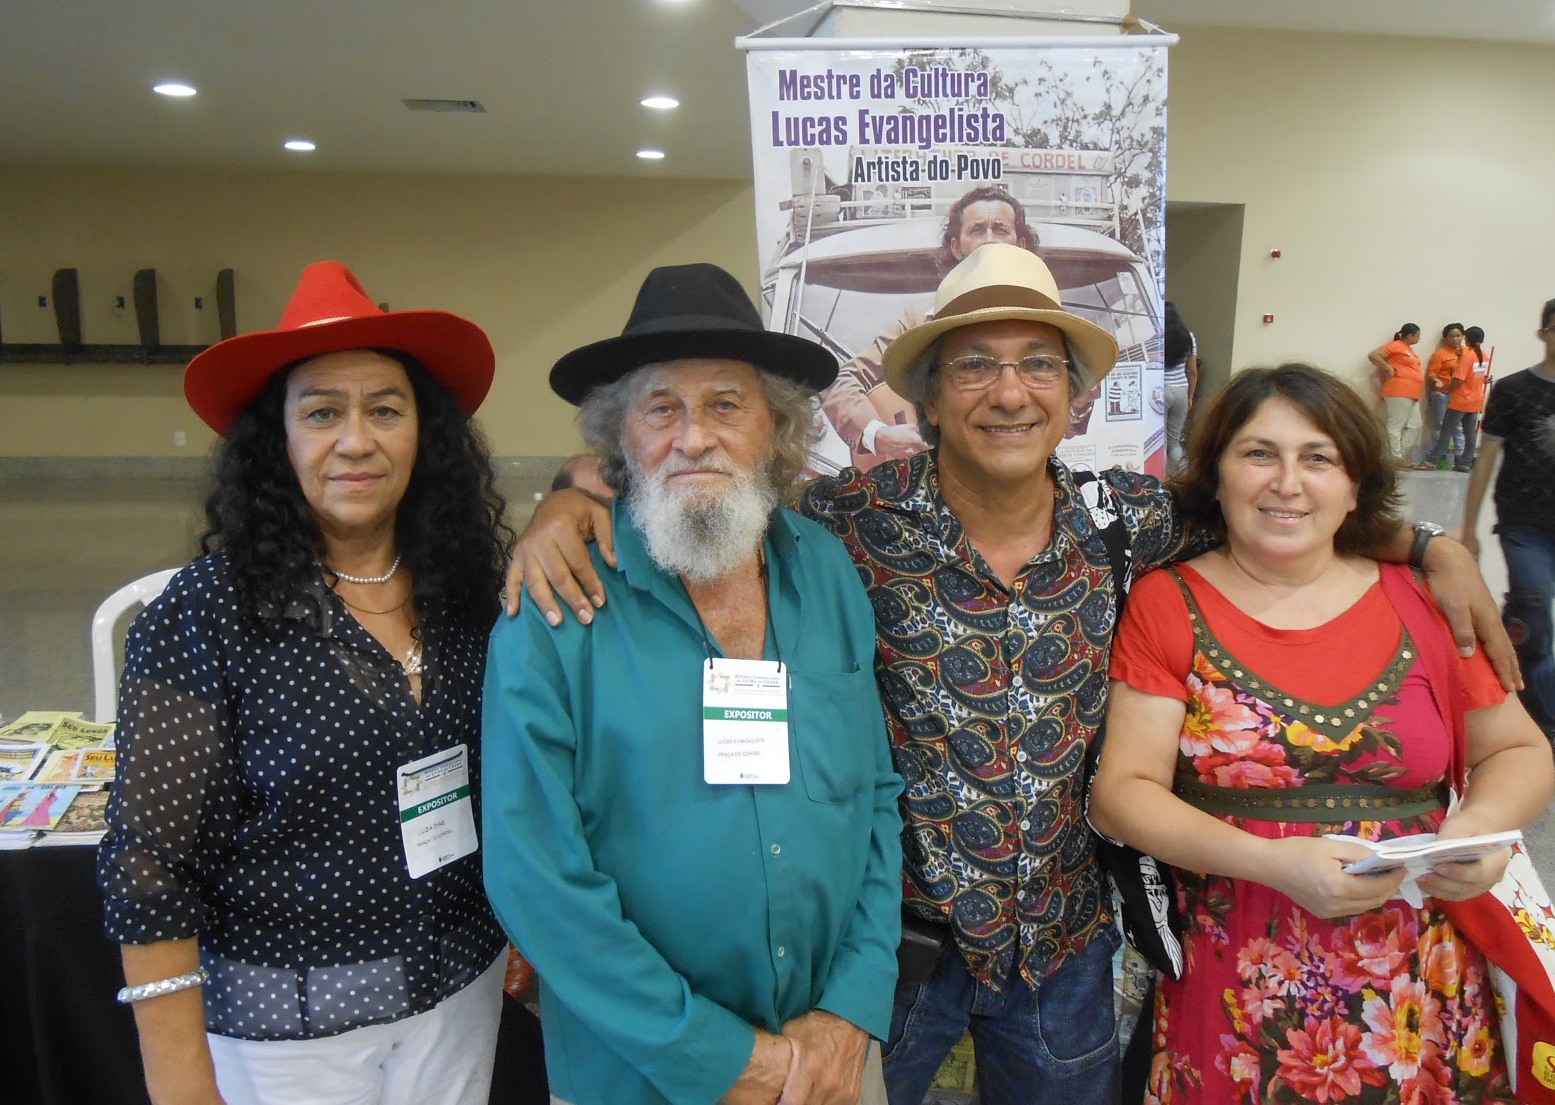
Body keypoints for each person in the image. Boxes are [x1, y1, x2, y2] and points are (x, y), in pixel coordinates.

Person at [503, 246, 1517, 1105]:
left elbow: (1276, 508)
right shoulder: (847, 527)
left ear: (1075, 399)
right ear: (929, 398)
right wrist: (573, 497)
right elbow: (703, 483)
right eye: (974, 366)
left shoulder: (1129, 519)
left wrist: (1432, 546)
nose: (1008, 392)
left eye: (1038, 366)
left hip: (1063, 952)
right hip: (899, 955)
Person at [480, 263, 903, 1105]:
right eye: (660, 408)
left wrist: (851, 1009)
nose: (693, 437)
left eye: (725, 405)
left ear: (775, 428)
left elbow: (876, 799)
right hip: (638, 1074)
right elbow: (535, 876)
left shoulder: (825, 571)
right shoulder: (556, 605)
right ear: (622, 436)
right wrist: (718, 1056)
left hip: (829, 1065)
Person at [99, 261, 514, 1105]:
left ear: (424, 436)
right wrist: (181, 1083)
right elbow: (148, 864)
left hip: (461, 992)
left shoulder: (470, 591)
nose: (355, 441)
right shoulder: (207, 613)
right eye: (322, 412)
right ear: (277, 441)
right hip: (290, 1029)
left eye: (385, 410)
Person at [1090, 363, 1552, 1104]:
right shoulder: (1168, 603)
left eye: (1319, 459)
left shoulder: (1424, 599)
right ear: (1216, 475)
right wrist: (1272, 863)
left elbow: (1519, 749)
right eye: (1258, 453)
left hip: (1423, 979)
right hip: (1241, 979)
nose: (1288, 483)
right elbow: (1123, 793)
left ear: (1356, 485)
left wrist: (1478, 830)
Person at [819, 184, 1039, 466]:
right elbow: (840, 379)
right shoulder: (919, 320)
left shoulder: (1044, 316)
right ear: (956, 247)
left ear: (1020, 244)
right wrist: (878, 433)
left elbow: (1069, 414)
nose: (988, 240)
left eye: (1000, 229)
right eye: (977, 230)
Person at [1463, 298, 1555, 734]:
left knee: (1525, 615)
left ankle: (1503, 658)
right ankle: (1541, 720)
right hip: (1525, 523)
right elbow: (1485, 459)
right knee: (1535, 607)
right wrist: (1469, 530)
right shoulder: (1514, 389)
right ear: (1542, 333)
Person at [1425, 325, 1490, 472]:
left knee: (1446, 431)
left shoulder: (1468, 356)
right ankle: (1465, 463)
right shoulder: (1484, 356)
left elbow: (1458, 380)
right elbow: (1479, 377)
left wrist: (1447, 387)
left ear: (1467, 339)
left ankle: (1431, 461)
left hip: (1460, 400)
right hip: (1475, 400)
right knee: (1470, 433)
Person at [1367, 321, 1426, 465]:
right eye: (1417, 336)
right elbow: (1374, 355)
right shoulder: (1395, 346)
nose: (1419, 339)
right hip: (1399, 390)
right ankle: (1395, 456)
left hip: (1412, 392)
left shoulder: (1409, 350)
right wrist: (1389, 368)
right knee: (1396, 425)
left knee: (1415, 425)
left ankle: (1401, 454)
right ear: (1409, 335)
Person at [1423, 322, 1466, 466]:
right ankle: (1441, 456)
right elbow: (1432, 372)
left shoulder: (1468, 353)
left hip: (1459, 395)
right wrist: (1436, 380)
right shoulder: (1440, 354)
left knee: (1458, 427)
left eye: (1458, 335)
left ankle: (1460, 457)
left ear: (1463, 336)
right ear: (1445, 338)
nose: (1455, 339)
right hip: (1442, 394)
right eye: (1451, 336)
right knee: (1440, 425)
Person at [1164, 301, 1199, 473]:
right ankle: (1182, 477)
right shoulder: (1188, 337)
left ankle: (1159, 478)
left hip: (1160, 392)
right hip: (1181, 391)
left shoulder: (1157, 337)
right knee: (1174, 441)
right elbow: (1192, 371)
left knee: (1160, 443)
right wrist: (1190, 396)